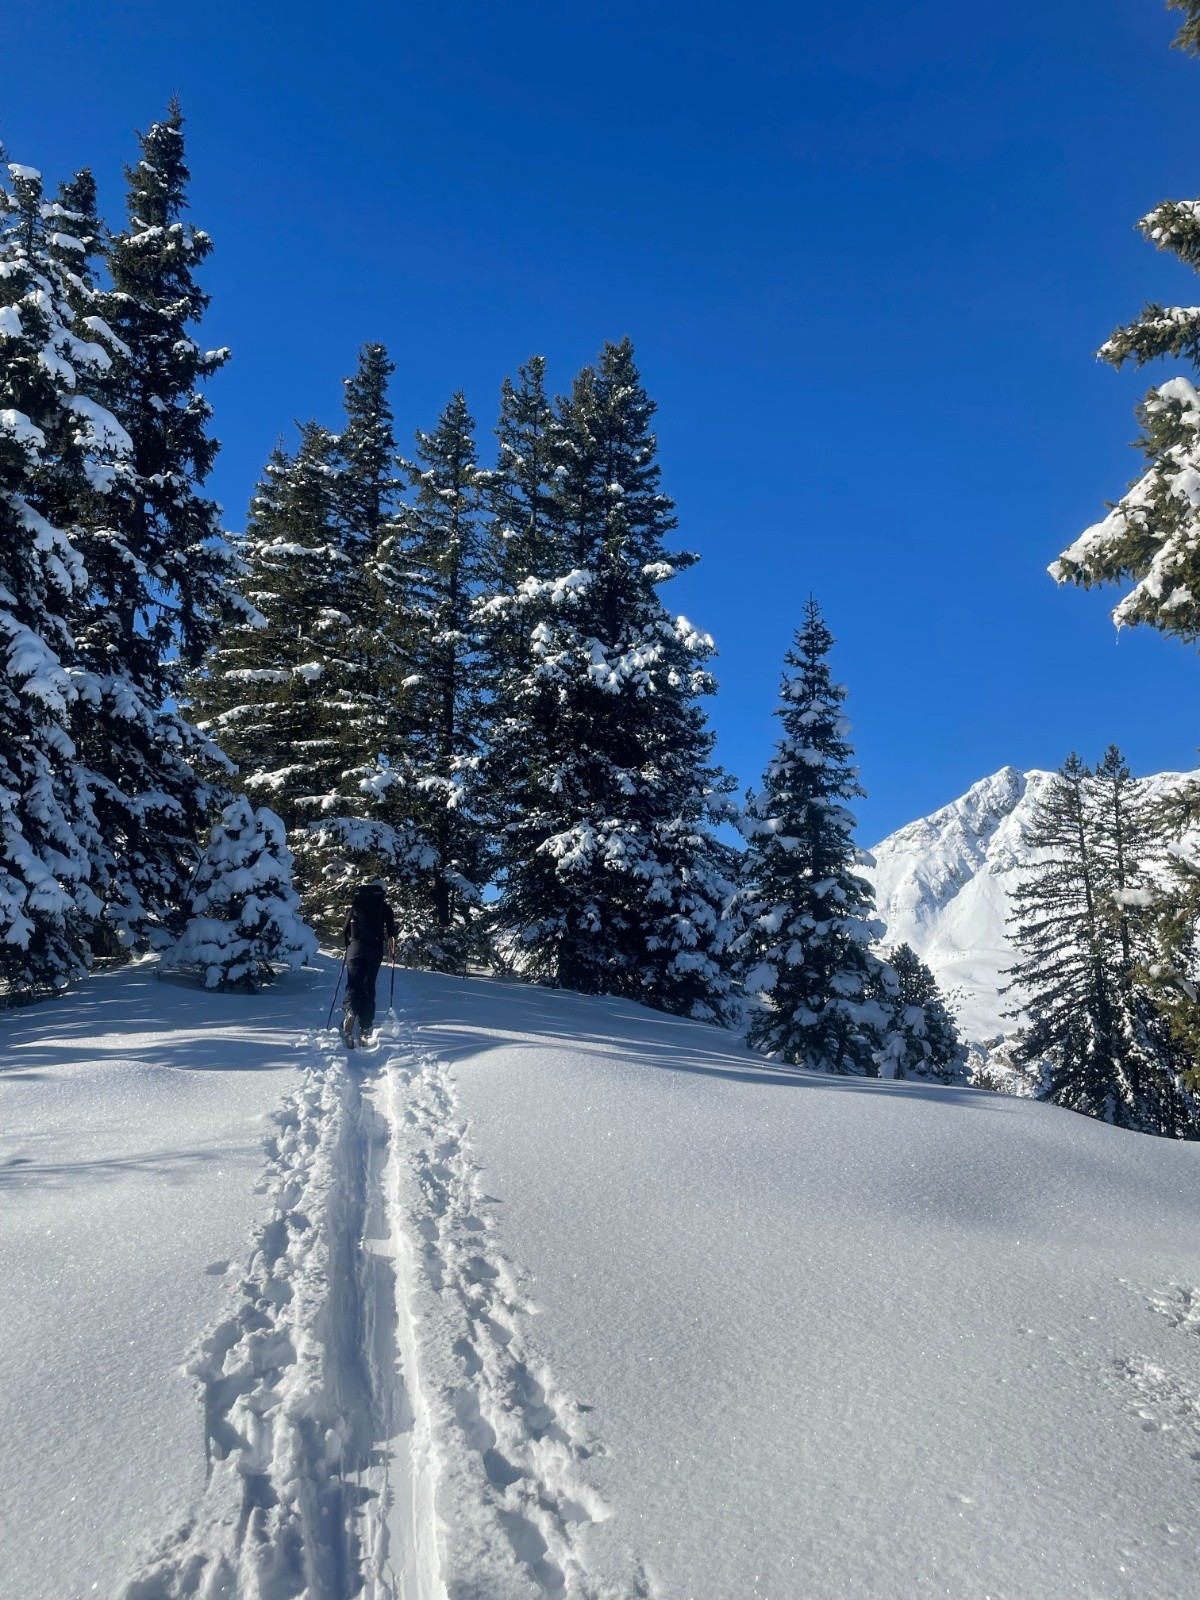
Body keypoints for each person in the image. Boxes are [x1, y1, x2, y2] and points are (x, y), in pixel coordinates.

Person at [341, 878, 397, 1045]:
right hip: (374, 948)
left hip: (355, 947)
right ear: (383, 891)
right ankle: (366, 1025)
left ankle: (350, 1010)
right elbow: (391, 931)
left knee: (353, 981)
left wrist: (348, 944)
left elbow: (345, 928)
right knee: (368, 983)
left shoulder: (357, 902)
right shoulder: (385, 908)